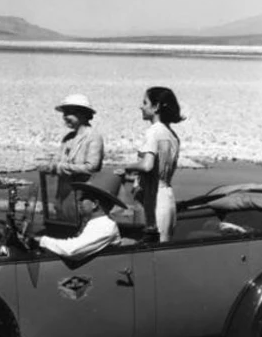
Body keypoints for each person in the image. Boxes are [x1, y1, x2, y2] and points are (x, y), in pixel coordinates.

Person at [115, 86, 183, 242]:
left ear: (156, 106)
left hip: (154, 200)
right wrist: (131, 178)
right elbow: (158, 172)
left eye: (145, 102)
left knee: (152, 250)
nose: (141, 106)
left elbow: (147, 165)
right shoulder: (172, 135)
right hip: (168, 198)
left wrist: (127, 167)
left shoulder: (153, 131)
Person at [39, 93, 104, 225]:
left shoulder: (93, 137)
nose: (65, 117)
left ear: (82, 113)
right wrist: (50, 167)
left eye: (69, 113)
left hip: (82, 196)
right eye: (64, 113)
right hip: (63, 196)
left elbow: (91, 167)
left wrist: (61, 167)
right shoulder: (68, 138)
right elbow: (59, 161)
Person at [33, 172, 126, 260]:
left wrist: (41, 240)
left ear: (95, 204)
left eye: (83, 198)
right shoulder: (93, 222)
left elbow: (72, 250)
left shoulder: (105, 226)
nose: (79, 201)